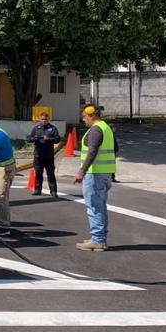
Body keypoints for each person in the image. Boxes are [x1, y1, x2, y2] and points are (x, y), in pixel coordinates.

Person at [74, 104, 116, 252]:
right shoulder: (106, 128)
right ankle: (99, 238)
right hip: (105, 173)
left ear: (91, 115)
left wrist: (81, 171)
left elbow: (92, 152)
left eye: (84, 117)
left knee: (94, 207)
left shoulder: (96, 130)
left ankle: (97, 240)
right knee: (100, 207)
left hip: (94, 174)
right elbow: (115, 149)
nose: (83, 119)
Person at [26, 111, 61, 197]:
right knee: (38, 173)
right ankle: (38, 190)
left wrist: (48, 138)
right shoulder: (36, 128)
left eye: (45, 119)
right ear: (39, 119)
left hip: (48, 156)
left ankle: (53, 191)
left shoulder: (53, 128)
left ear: (48, 119)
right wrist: (34, 139)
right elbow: (29, 138)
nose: (44, 121)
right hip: (38, 155)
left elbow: (58, 139)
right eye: (42, 119)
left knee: (50, 174)